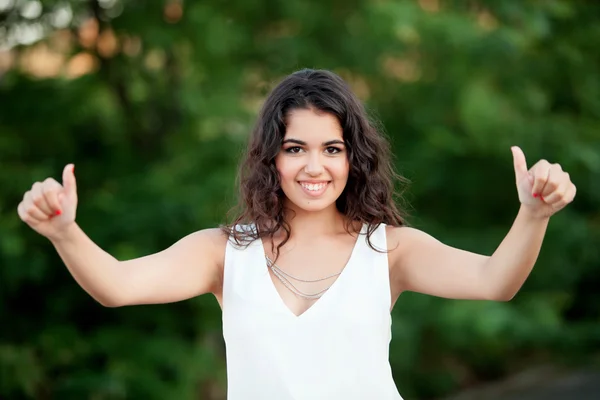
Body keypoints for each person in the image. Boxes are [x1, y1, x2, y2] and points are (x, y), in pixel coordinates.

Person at [17, 69, 576, 400]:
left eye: (332, 149)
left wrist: (533, 215)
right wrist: (65, 231)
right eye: (295, 148)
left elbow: (495, 280)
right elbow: (117, 285)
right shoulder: (222, 251)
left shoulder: (390, 248)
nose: (315, 166)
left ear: (353, 159)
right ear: (271, 159)